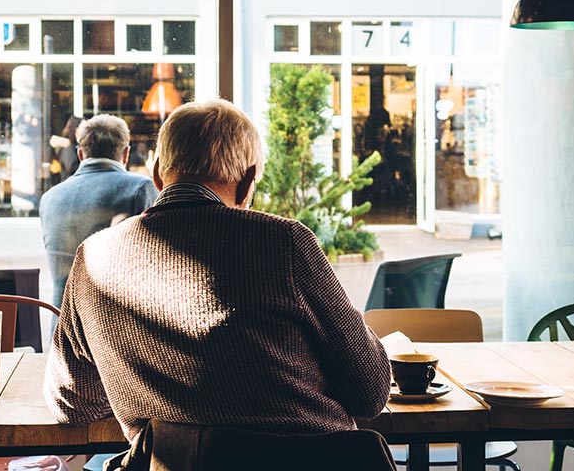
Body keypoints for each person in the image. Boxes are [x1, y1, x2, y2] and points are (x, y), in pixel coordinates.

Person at [43, 100, 391, 454]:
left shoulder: (93, 257)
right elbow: (370, 392)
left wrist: (139, 383)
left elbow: (71, 403)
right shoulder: (284, 243)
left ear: (159, 173)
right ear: (247, 183)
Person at [39, 114, 159, 308]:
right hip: (113, 326)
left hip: (61, 325)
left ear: (80, 154)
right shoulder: (140, 189)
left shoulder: (50, 197)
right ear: (126, 154)